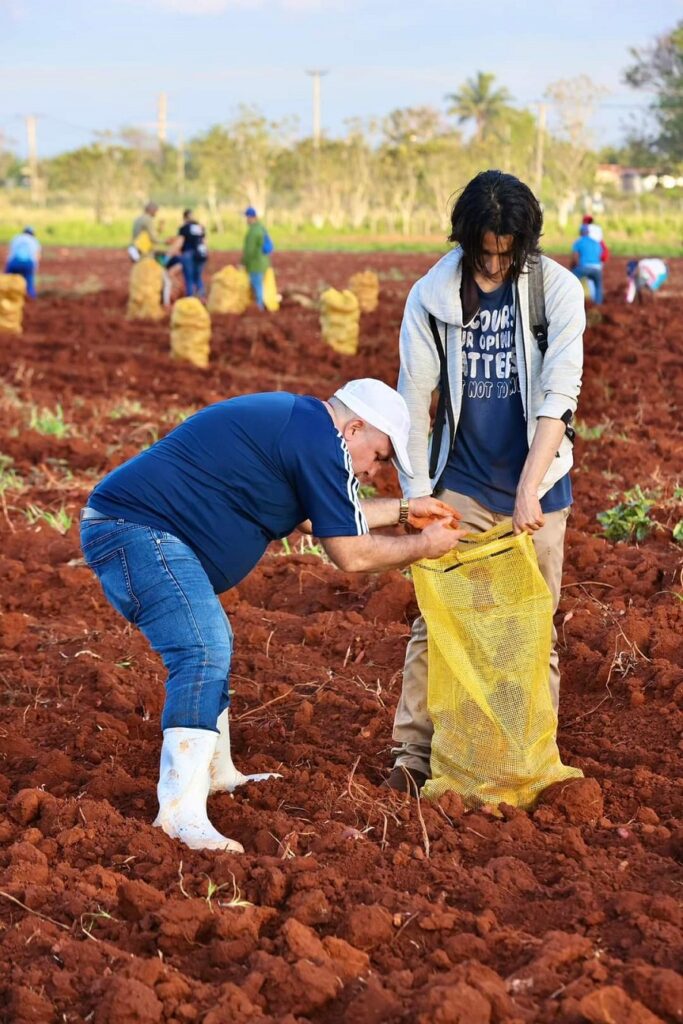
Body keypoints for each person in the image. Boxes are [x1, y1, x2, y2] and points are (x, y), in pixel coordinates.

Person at [80, 379, 463, 851]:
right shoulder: (319, 440)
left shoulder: (307, 429)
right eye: (379, 457)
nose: (372, 471)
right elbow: (349, 552)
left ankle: (216, 773)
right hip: (136, 529)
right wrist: (424, 546)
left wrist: (405, 510)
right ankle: (178, 815)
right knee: (203, 648)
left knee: (211, 639)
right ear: (356, 427)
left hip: (139, 528)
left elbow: (314, 518)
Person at [387, 168, 585, 795]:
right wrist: (417, 488)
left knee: (535, 624)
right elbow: (415, 396)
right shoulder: (432, 295)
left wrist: (531, 487)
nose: (495, 262)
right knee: (435, 621)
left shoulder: (554, 290)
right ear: (466, 238)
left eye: (508, 250)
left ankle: (530, 758)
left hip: (539, 485)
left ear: (524, 242)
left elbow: (559, 394)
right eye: (485, 250)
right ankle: (413, 755)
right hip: (462, 484)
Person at [242, 206, 270, 310]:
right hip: (263, 262)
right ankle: (260, 306)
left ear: (251, 217)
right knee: (259, 285)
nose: (246, 220)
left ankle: (260, 308)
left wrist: (243, 262)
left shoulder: (253, 231)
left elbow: (249, 250)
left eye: (247, 217)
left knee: (257, 286)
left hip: (255, 264)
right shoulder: (261, 228)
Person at [175, 208, 208, 298]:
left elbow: (180, 243)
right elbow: (205, 242)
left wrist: (169, 254)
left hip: (188, 254)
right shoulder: (200, 228)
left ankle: (191, 300)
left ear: (184, 218)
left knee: (189, 279)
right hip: (201, 254)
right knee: (198, 277)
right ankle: (202, 298)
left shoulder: (184, 228)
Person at [570, 223, 604, 303]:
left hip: (584, 267)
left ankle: (572, 300)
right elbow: (600, 256)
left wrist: (572, 268)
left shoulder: (578, 242)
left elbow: (575, 258)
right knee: (598, 286)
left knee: (571, 280)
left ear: (581, 232)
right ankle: (598, 304)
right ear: (588, 232)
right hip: (597, 268)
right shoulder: (596, 242)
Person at [4, 226, 41, 298]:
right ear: (32, 233)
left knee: (7, 280)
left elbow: (11, 252)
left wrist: (8, 265)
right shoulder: (34, 240)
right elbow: (36, 256)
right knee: (29, 281)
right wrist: (35, 267)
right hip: (28, 263)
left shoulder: (16, 238)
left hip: (14, 261)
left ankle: (4, 295)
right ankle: (31, 297)